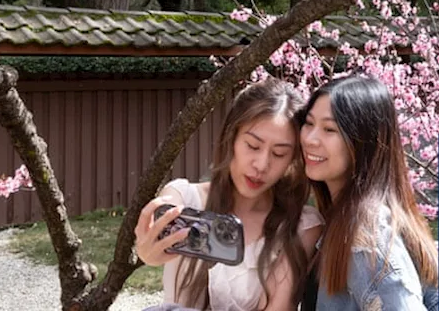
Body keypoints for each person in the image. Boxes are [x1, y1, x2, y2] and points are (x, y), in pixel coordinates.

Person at [136, 78, 322, 311]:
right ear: (231, 137)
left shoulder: (300, 226)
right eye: (253, 146)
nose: (262, 164)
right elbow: (158, 224)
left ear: (293, 159)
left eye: (279, 153)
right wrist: (148, 250)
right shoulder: (185, 198)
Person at [298, 74, 438, 311]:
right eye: (309, 123)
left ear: (363, 142)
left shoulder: (365, 231)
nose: (311, 139)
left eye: (329, 129)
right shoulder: (347, 218)